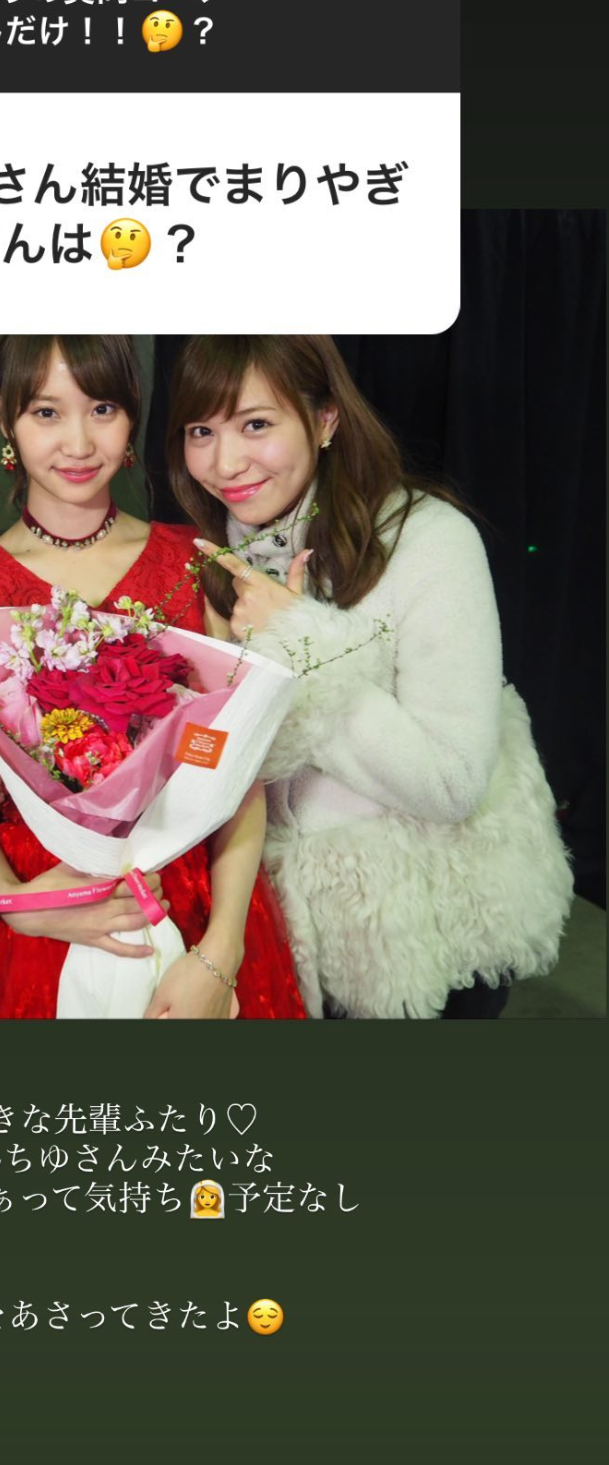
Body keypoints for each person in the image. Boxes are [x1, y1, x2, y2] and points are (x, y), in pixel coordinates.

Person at [167, 334, 573, 1019]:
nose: (224, 462)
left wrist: (304, 646)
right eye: (201, 431)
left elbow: (452, 783)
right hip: (269, 939)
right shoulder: (201, 554)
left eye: (256, 425)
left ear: (325, 419)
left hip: (417, 939)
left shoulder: (428, 539)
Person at [0, 335, 305, 1021]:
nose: (78, 443)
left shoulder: (194, 561)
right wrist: (18, 904)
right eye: (46, 413)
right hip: (40, 905)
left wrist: (222, 950)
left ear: (132, 413)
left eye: (102, 409)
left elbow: (236, 774)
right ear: (2, 413)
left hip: (193, 901)